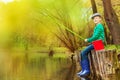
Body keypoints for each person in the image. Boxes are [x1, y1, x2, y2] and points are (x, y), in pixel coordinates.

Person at [77, 13, 105, 77]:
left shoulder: (99, 26)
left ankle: (86, 70)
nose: (95, 19)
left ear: (100, 19)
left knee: (83, 52)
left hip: (99, 43)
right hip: (97, 43)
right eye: (94, 19)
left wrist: (88, 40)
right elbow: (96, 37)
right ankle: (83, 70)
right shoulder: (97, 26)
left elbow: (96, 36)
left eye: (96, 18)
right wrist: (91, 41)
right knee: (82, 53)